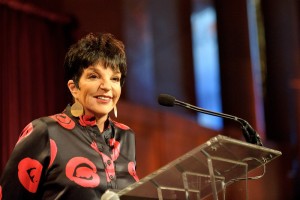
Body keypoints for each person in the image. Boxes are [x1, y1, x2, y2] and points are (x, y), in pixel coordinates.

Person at [0, 32, 139, 199]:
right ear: (74, 87)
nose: (107, 86)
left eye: (115, 78)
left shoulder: (126, 136)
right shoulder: (46, 131)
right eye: (94, 76)